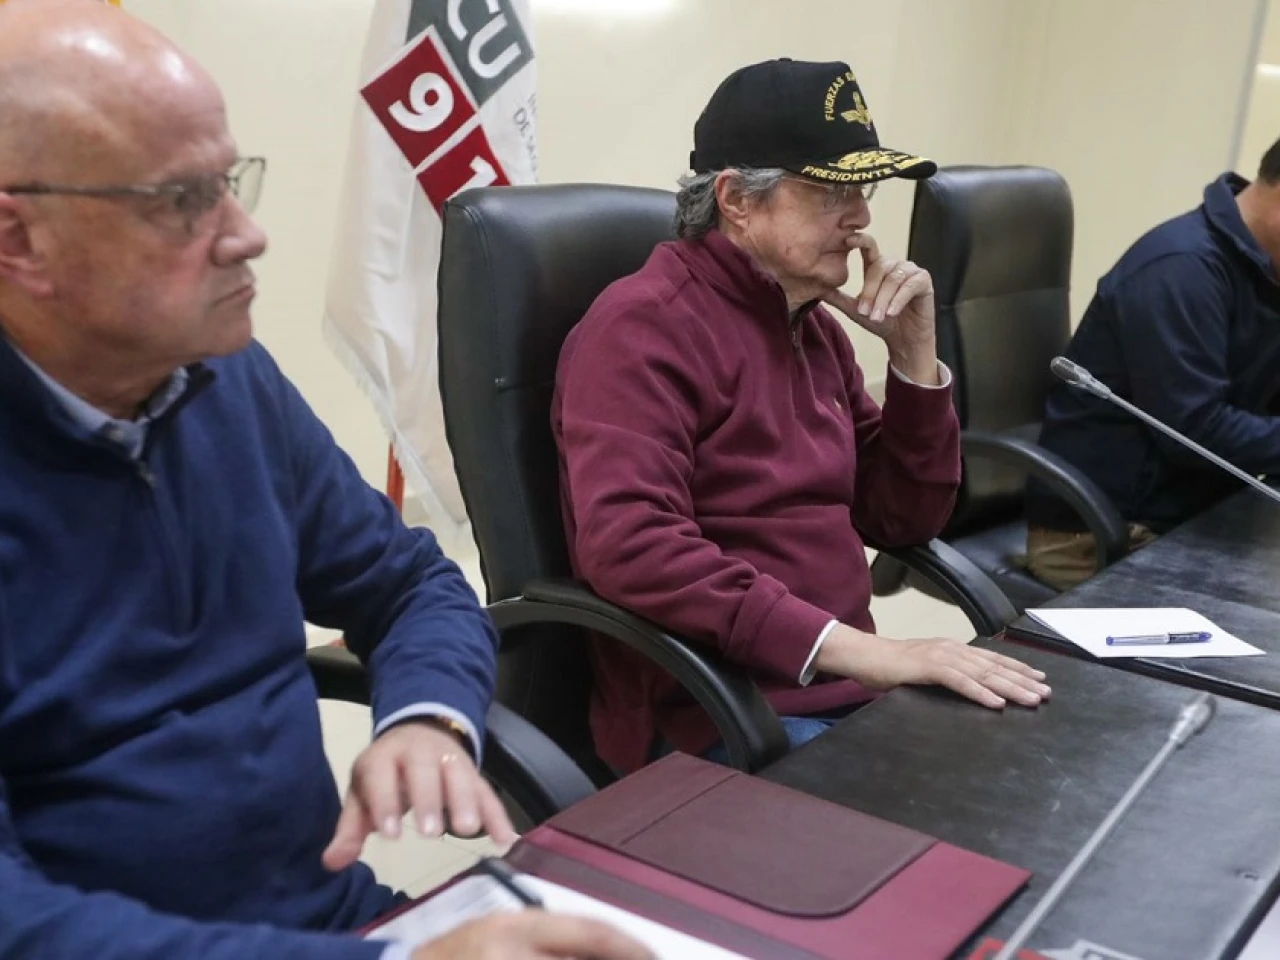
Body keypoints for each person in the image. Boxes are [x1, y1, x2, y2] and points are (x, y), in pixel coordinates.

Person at [0, 2, 648, 958]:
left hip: (330, 917)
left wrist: (427, 713)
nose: (247, 235)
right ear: (19, 240)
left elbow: (410, 583)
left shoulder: (225, 376)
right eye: (181, 201)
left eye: (230, 181)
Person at [552, 58, 1050, 775]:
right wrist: (866, 652)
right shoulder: (642, 328)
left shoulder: (810, 324)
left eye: (862, 190)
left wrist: (914, 360)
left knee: (1040, 772)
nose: (861, 218)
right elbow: (632, 546)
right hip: (723, 712)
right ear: (736, 200)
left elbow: (902, 520)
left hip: (841, 688)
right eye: (830, 193)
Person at [1025, 141, 1280, 591]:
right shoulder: (1182, 269)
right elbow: (1195, 432)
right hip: (1102, 537)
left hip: (1199, 517)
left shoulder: (1266, 270)